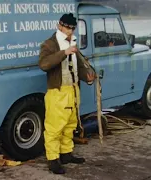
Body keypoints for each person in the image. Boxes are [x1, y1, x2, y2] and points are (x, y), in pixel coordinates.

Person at [38, 13, 96, 174]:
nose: (69, 31)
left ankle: (66, 154)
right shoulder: (49, 44)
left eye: (72, 28)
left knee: (70, 124)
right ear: (59, 25)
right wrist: (64, 52)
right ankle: (53, 160)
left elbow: (78, 66)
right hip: (57, 91)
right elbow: (43, 64)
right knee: (54, 127)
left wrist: (88, 78)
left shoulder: (73, 42)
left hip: (73, 89)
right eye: (66, 27)